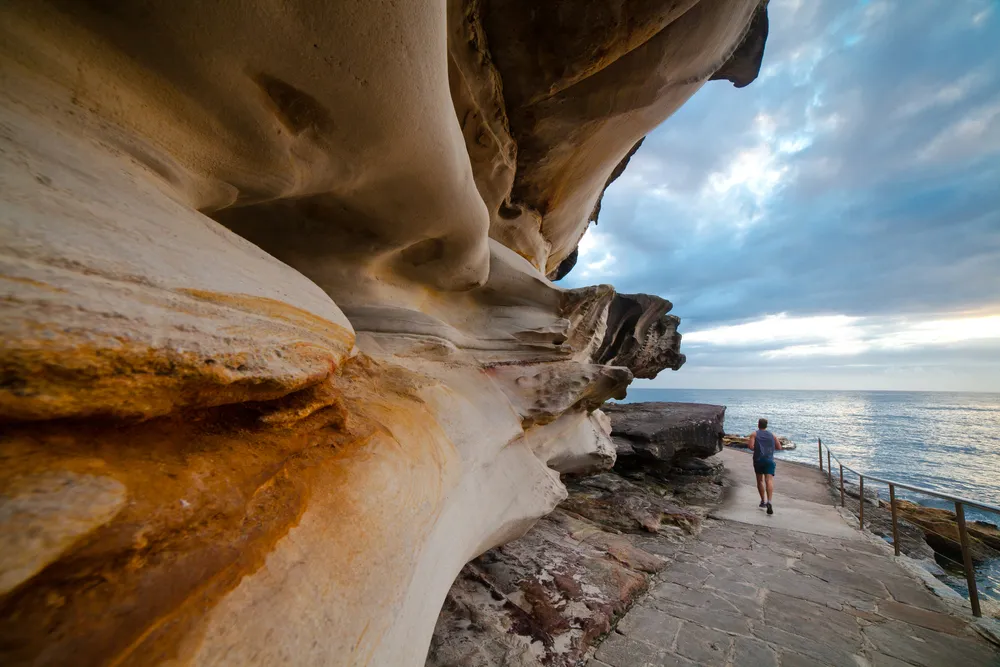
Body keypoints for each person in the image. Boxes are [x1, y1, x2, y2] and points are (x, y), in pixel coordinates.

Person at [748, 418, 782, 514]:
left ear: (758, 424)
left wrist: (758, 449)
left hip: (758, 460)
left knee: (760, 480)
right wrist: (769, 448)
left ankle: (763, 501)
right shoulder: (772, 435)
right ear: (766, 425)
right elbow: (779, 447)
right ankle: (769, 501)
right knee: (769, 480)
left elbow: (750, 447)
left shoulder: (754, 434)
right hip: (769, 460)